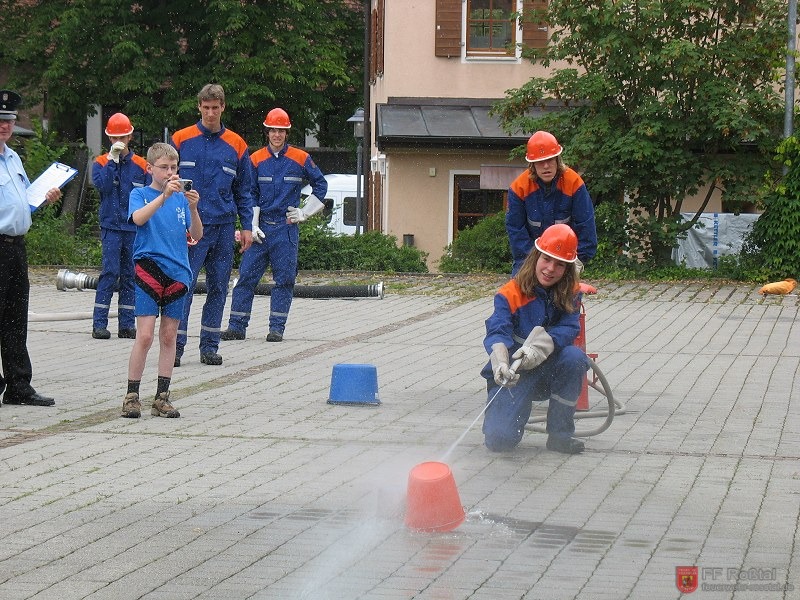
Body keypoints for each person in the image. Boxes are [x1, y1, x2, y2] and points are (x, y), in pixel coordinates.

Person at [481, 223, 590, 454]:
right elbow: (497, 331)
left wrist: (539, 348)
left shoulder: (571, 292)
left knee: (575, 357)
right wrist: (500, 362)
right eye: (546, 259)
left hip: (550, 369)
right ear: (536, 257)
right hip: (515, 373)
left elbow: (569, 327)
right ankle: (510, 413)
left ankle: (560, 436)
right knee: (499, 441)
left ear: (568, 269)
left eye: (560, 264)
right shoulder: (510, 293)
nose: (550, 269)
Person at [221, 107, 327, 343]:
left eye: (281, 131)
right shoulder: (255, 159)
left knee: (284, 281)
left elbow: (321, 185)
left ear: (286, 133)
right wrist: (252, 224)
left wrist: (305, 212)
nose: (277, 135)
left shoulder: (300, 158)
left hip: (286, 229)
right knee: (246, 278)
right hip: (260, 230)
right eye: (273, 130)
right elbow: (248, 192)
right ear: (267, 132)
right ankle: (236, 327)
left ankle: (276, 329)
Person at [171, 84, 253, 366]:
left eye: (215, 108)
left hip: (223, 226)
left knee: (218, 287)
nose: (210, 113)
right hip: (189, 227)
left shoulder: (237, 144)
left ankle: (209, 346)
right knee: (184, 285)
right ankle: (176, 347)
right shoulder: (181, 139)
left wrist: (247, 226)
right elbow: (164, 180)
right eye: (205, 108)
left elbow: (244, 190)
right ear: (199, 107)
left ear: (223, 107)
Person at [122, 143, 203, 419]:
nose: (170, 173)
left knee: (169, 336)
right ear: (150, 168)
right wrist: (163, 197)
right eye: (164, 168)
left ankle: (162, 397)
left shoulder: (181, 199)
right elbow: (138, 219)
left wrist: (193, 208)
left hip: (178, 272)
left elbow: (196, 234)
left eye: (174, 168)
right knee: (145, 335)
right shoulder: (140, 194)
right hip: (149, 268)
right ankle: (132, 395)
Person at [0, 90, 63, 407]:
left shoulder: (13, 157)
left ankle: (18, 385)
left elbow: (22, 201)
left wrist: (43, 199)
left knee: (15, 317)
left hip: (15, 247)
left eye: (9, 120)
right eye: (0, 120)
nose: (5, 126)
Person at [91, 112, 149, 340]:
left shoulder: (141, 166)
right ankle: (99, 324)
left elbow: (148, 197)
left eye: (122, 138)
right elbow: (104, 187)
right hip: (111, 228)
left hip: (132, 229)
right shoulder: (100, 163)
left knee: (130, 276)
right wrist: (112, 162)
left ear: (130, 137)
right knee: (109, 273)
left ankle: (126, 324)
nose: (119, 142)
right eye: (115, 138)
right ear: (109, 138)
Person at [506, 130, 597, 275]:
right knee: (518, 288)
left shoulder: (574, 183)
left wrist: (578, 260)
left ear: (557, 160)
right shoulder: (519, 188)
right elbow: (515, 230)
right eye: (540, 162)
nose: (546, 166)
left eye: (550, 160)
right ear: (532, 164)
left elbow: (585, 224)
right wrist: (533, 263)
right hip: (528, 258)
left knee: (566, 289)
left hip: (566, 258)